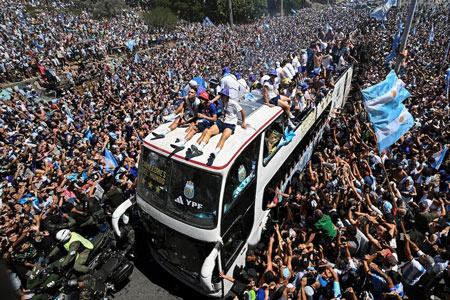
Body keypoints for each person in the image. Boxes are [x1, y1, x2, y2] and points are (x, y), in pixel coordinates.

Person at [187, 88, 247, 165]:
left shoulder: (233, 103)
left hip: (230, 123)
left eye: (223, 96)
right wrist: (211, 101)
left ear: (227, 96)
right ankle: (200, 149)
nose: (221, 97)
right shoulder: (221, 102)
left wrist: (243, 122)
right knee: (209, 131)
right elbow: (215, 99)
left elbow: (243, 112)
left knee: (223, 137)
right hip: (221, 121)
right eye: (221, 95)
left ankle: (214, 154)